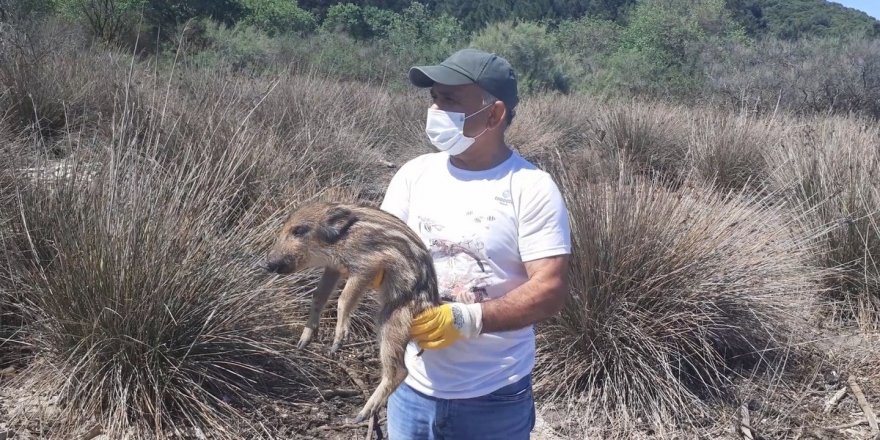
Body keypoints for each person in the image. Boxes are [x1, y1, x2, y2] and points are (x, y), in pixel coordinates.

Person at [378, 48, 572, 439]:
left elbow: (550, 290)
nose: (436, 109)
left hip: (492, 397)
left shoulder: (530, 188)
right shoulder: (414, 175)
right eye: (434, 98)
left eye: (450, 100)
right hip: (410, 388)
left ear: (495, 114)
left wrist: (468, 319)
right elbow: (384, 255)